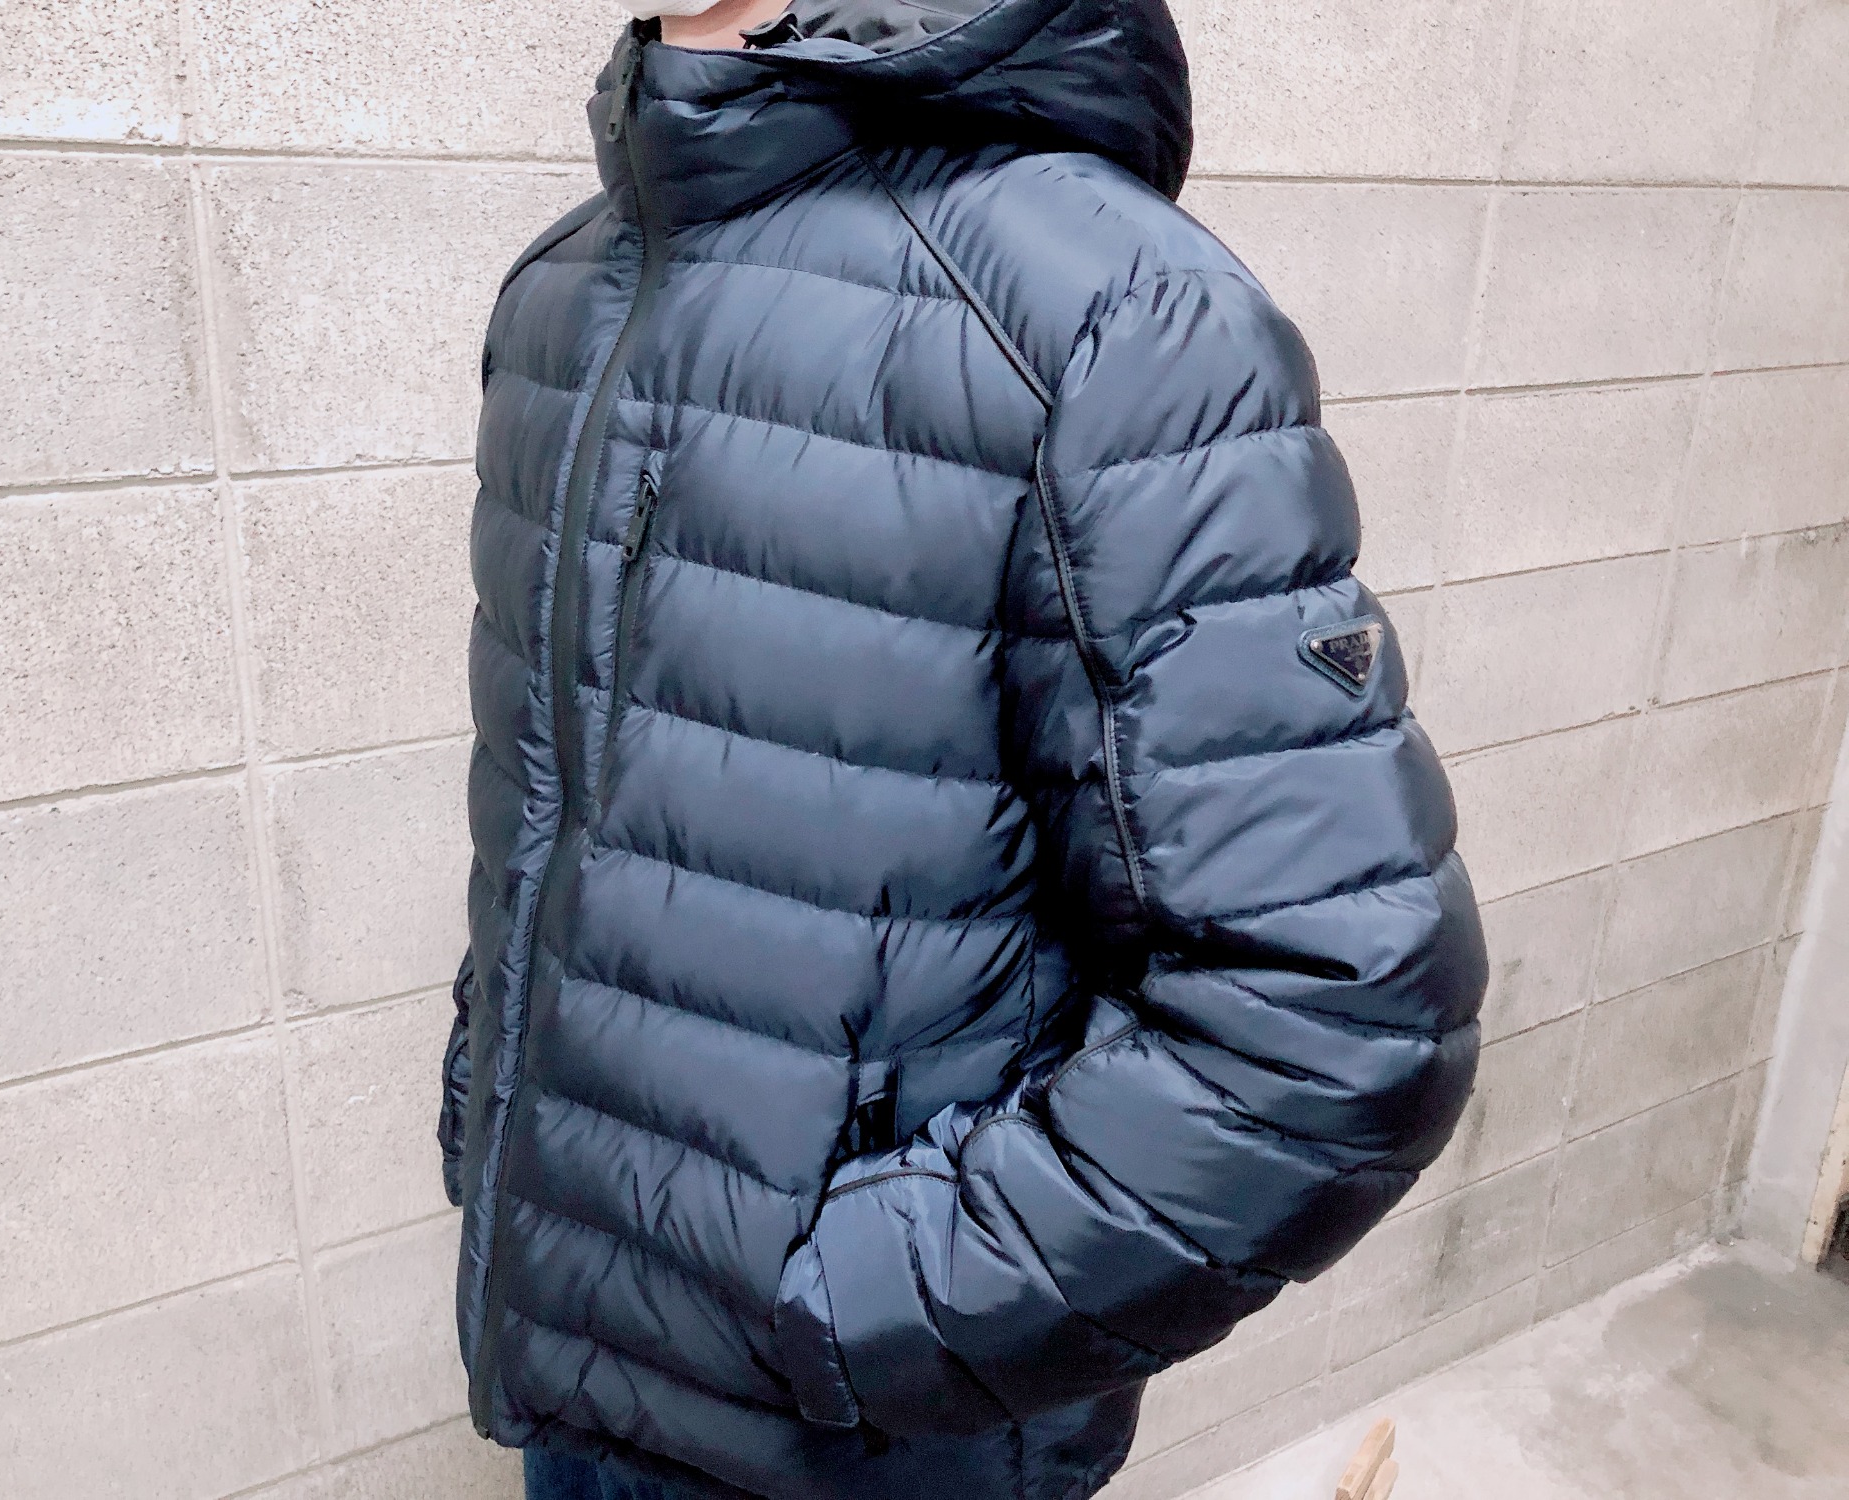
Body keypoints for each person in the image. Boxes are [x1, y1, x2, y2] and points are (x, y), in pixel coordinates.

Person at [438, 0, 1489, 1496]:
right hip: (573, 1364)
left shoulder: (1107, 313)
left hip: (862, 1433)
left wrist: (872, 1308)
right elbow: (555, 820)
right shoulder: (568, 289)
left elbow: (1341, 1012)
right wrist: (487, 1106)